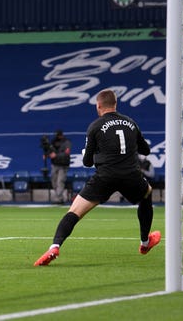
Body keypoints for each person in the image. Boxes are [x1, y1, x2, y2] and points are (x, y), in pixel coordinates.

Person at [34, 89, 161, 266]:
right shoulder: (131, 123)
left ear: (98, 106)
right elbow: (145, 150)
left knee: (74, 212)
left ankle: (54, 246)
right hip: (131, 175)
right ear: (115, 104)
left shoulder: (95, 126)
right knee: (147, 193)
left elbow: (87, 162)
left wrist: (93, 154)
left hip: (105, 176)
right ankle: (145, 243)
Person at [44, 130, 71, 204]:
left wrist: (56, 155)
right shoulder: (53, 142)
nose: (57, 137)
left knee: (60, 181)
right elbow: (50, 151)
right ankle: (60, 197)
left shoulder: (66, 142)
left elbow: (67, 153)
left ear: (61, 135)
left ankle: (58, 198)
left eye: (58, 135)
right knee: (54, 181)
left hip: (63, 165)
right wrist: (47, 155)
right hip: (55, 164)